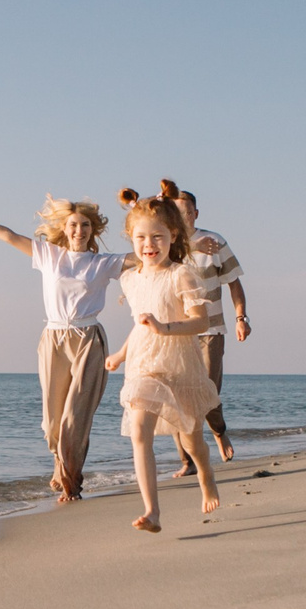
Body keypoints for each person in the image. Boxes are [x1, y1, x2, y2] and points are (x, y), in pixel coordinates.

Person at [0, 195, 124, 501]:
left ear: (93, 230)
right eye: (73, 225)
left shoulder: (103, 263)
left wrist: (183, 244)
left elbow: (148, 257)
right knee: (54, 418)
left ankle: (71, 483)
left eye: (85, 225)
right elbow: (8, 236)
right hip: (53, 339)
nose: (79, 230)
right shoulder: (49, 255)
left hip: (88, 339)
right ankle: (60, 467)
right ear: (64, 227)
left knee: (76, 415)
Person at [102, 187, 222, 533]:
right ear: (131, 238)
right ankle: (152, 510)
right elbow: (140, 325)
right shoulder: (130, 278)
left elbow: (201, 321)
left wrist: (165, 327)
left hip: (180, 362)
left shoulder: (181, 274)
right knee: (140, 430)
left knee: (191, 438)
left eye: (157, 236)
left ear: (173, 237)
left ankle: (206, 474)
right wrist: (121, 355)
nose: (148, 244)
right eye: (140, 237)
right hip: (143, 364)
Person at [160, 179, 248, 472]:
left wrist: (240, 318)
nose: (183, 217)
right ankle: (188, 461)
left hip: (211, 329)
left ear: (196, 214)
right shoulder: (163, 245)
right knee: (177, 397)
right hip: (175, 331)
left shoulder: (215, 242)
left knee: (207, 392)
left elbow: (234, 282)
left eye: (187, 212)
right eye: (177, 212)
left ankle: (219, 431)